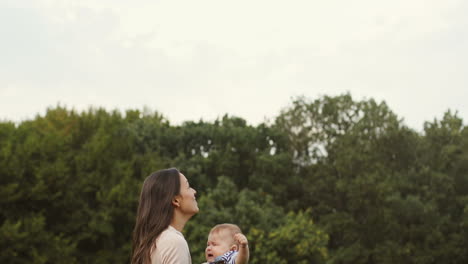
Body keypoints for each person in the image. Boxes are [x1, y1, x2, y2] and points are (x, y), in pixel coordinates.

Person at [131, 168, 198, 264]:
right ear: (176, 200)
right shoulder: (174, 243)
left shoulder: (152, 243)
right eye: (188, 187)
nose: (194, 191)